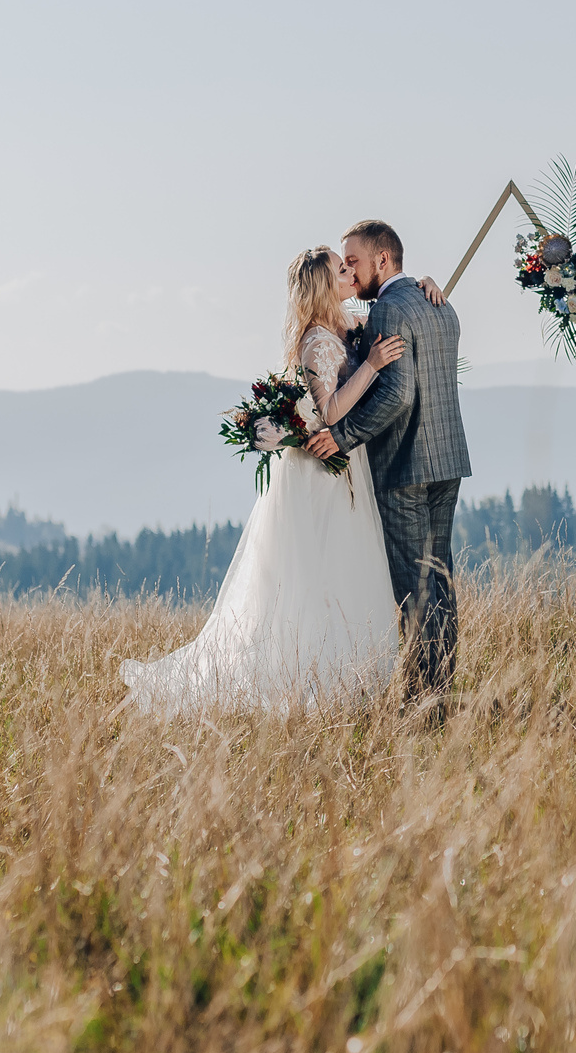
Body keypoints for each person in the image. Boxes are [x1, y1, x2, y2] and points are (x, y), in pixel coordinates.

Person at [120, 247, 406, 712]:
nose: (349, 271)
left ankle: (348, 685)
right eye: (341, 268)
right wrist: (371, 365)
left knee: (347, 571)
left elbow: (388, 296)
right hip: (322, 471)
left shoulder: (344, 325)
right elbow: (330, 410)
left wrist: (424, 284)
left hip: (345, 466)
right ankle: (315, 685)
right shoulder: (317, 341)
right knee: (322, 574)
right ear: (323, 285)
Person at [307, 218, 470, 708]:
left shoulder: (386, 312)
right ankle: (439, 690)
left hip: (404, 465)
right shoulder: (441, 306)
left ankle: (424, 696)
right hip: (447, 460)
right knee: (437, 576)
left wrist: (342, 436)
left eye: (353, 261)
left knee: (413, 584)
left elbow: (398, 397)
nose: (350, 273)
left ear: (383, 259)